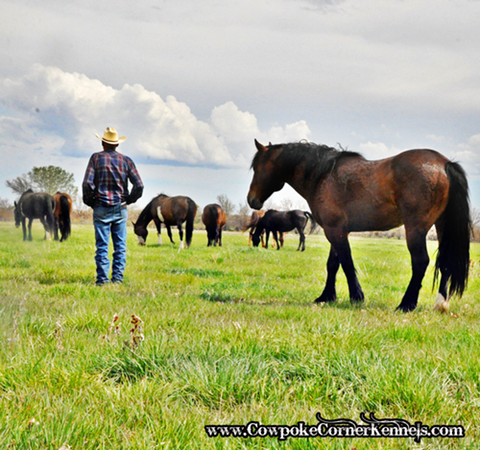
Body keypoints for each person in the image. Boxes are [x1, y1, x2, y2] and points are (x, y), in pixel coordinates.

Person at [82, 127, 144, 285]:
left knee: (102, 245)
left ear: (103, 143)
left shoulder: (95, 158)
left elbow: (87, 184)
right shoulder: (126, 161)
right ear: (116, 145)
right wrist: (128, 200)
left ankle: (102, 281)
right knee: (120, 246)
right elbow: (139, 186)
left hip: (101, 206)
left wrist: (91, 202)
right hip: (120, 206)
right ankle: (117, 280)